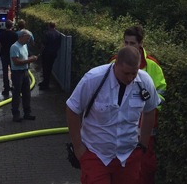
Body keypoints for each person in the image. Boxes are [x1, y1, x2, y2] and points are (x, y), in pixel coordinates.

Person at [66, 46, 160, 183]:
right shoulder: (94, 79)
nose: (130, 78)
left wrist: (143, 145)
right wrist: (78, 147)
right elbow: (72, 109)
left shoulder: (144, 81)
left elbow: (150, 110)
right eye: (126, 73)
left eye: (134, 73)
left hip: (129, 156)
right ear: (115, 65)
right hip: (96, 154)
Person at [120, 24, 167, 184]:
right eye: (125, 43)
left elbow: (161, 93)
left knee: (145, 169)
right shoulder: (115, 62)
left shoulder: (152, 66)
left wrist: (146, 106)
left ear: (140, 43)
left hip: (145, 129)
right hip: (121, 128)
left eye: (132, 43)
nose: (128, 47)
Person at [10, 29, 38, 121]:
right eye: (27, 39)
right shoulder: (14, 47)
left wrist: (31, 58)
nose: (28, 41)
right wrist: (30, 60)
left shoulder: (24, 45)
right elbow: (16, 62)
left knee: (27, 93)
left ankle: (27, 113)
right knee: (17, 94)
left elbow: (24, 58)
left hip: (25, 71)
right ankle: (16, 114)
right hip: (17, 73)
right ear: (21, 37)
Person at [38, 22, 62, 90]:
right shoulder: (58, 34)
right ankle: (45, 82)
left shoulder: (46, 33)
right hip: (53, 53)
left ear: (49, 26)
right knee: (49, 68)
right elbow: (59, 44)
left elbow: (43, 44)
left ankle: (45, 84)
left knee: (45, 68)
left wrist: (40, 52)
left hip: (46, 53)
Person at [0, 19, 18, 96]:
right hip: (12, 55)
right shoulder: (15, 35)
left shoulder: (1, 34)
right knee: (13, 71)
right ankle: (13, 86)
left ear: (5, 25)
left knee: (5, 72)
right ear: (12, 26)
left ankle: (6, 88)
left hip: (4, 54)